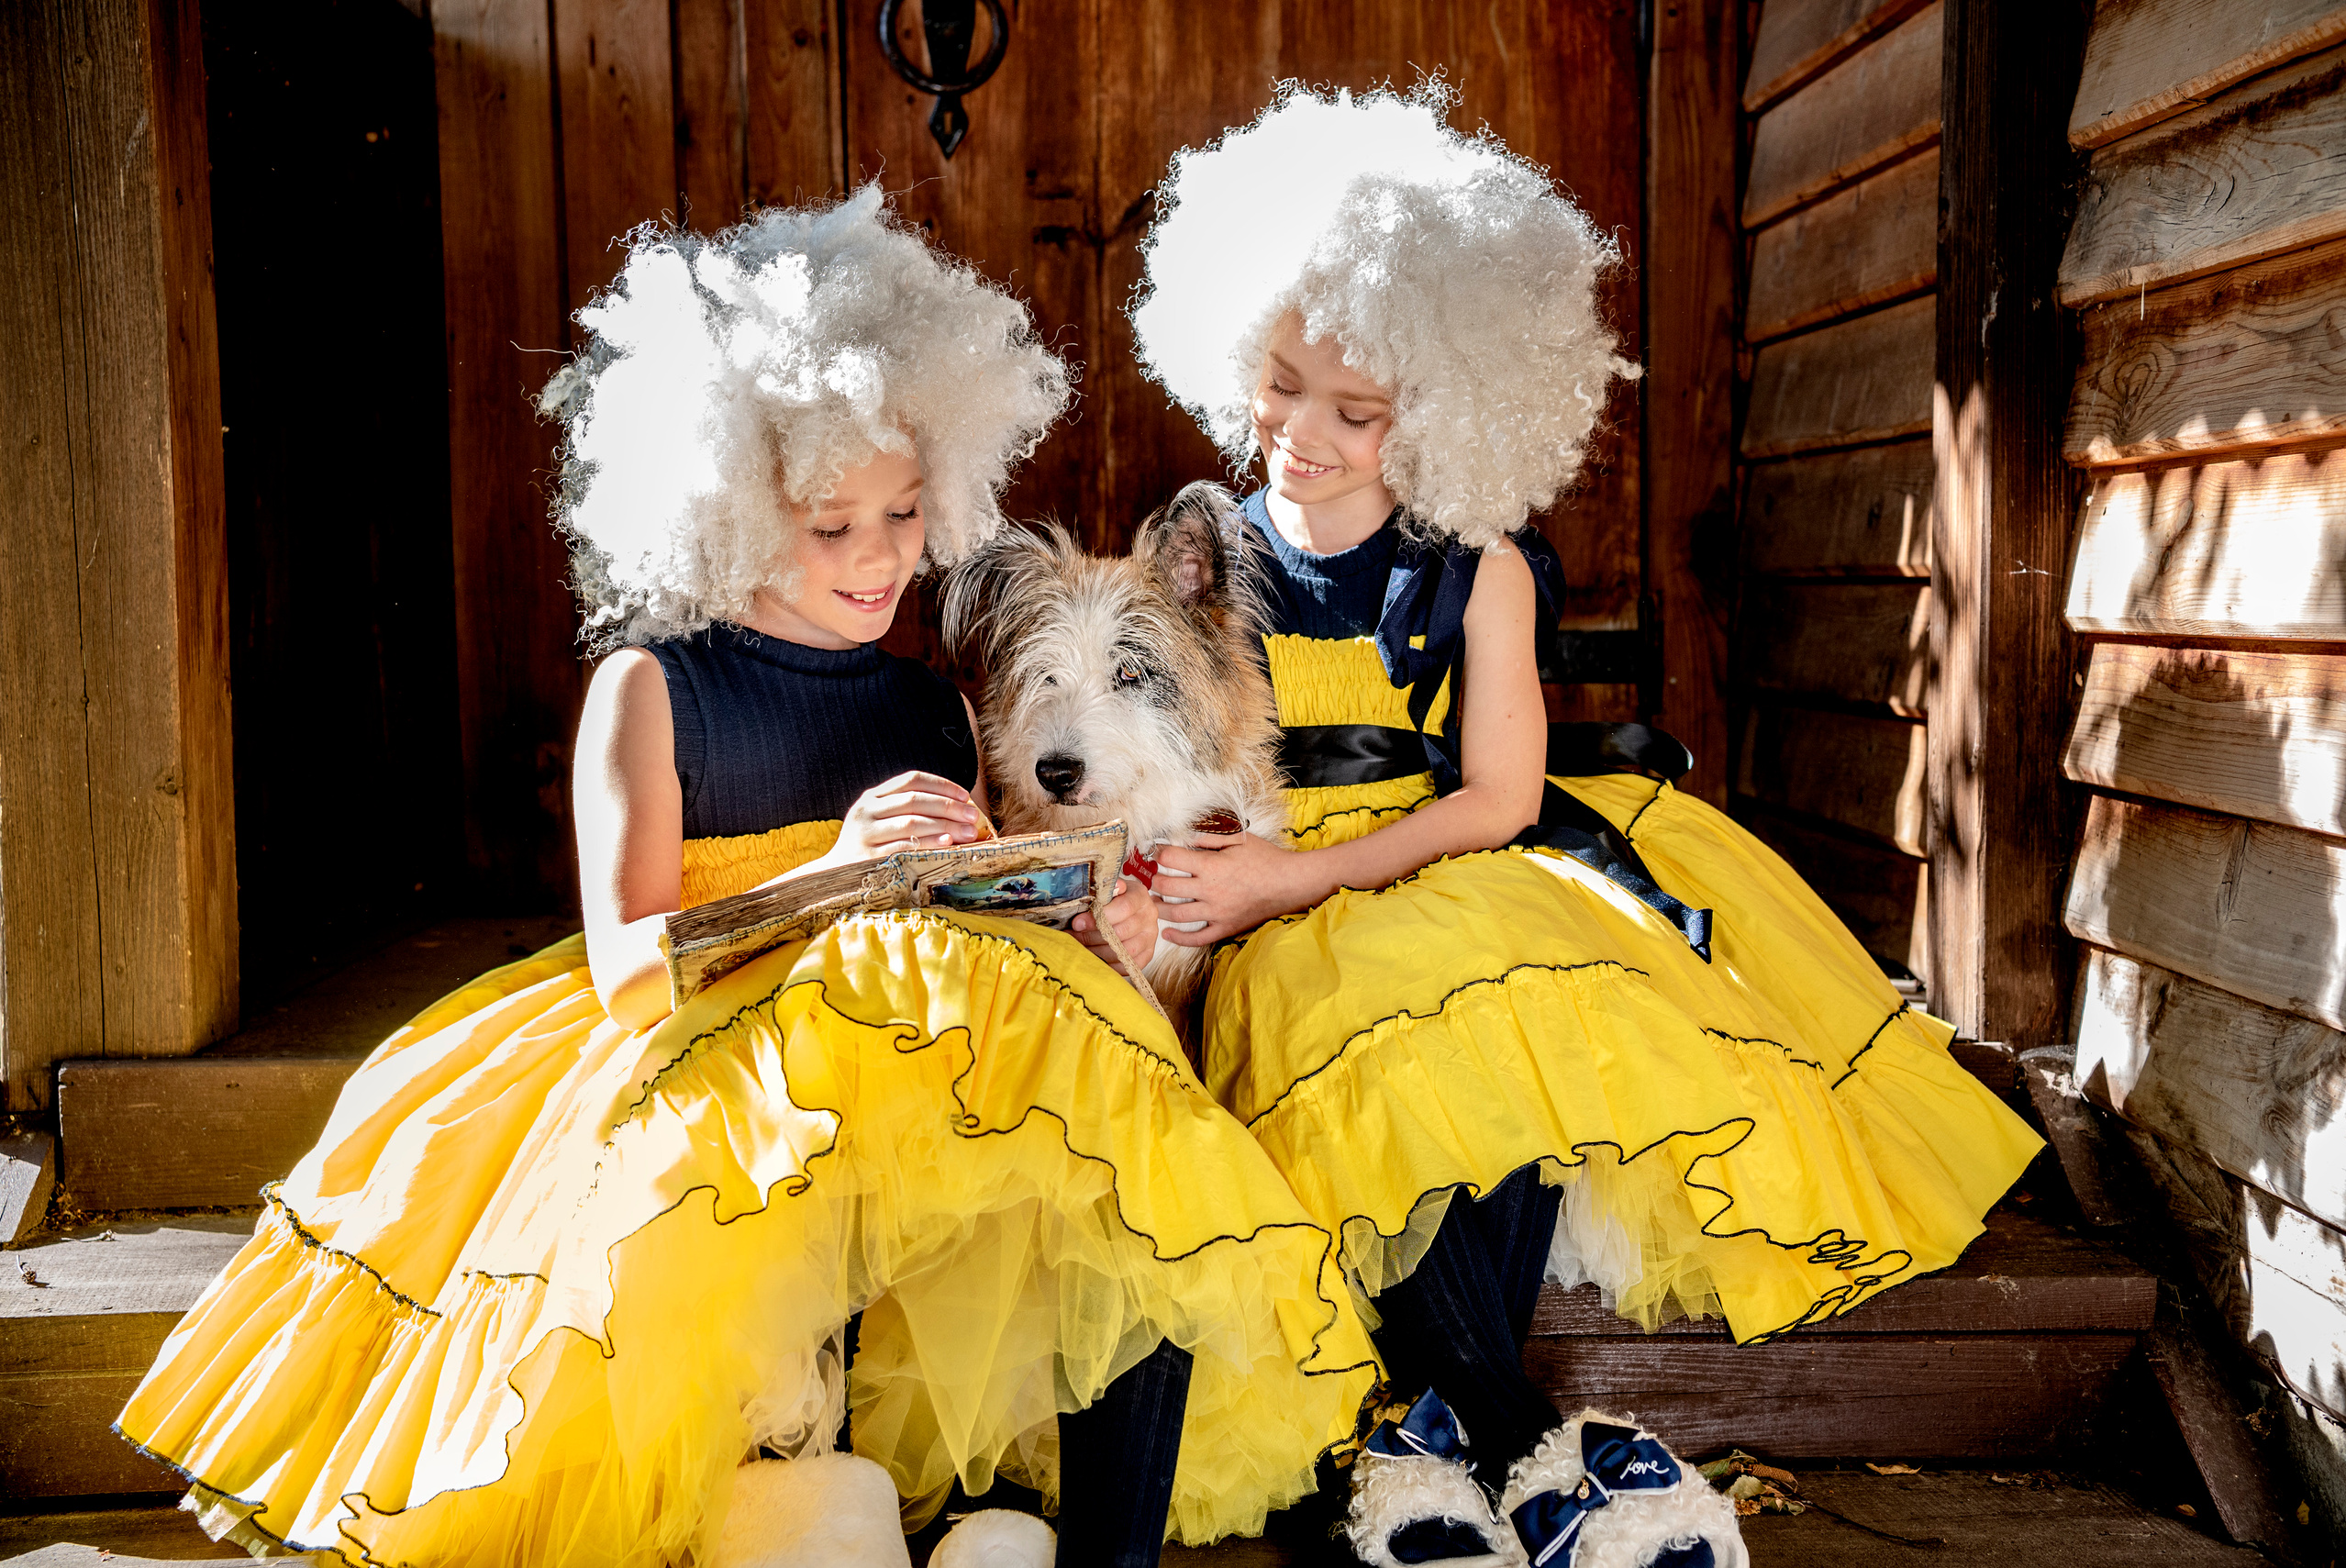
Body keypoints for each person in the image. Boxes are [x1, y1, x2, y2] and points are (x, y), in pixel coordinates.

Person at [115, 189, 1374, 1568]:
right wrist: (833, 869)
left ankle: (1073, 1536)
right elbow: (630, 972)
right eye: (832, 526)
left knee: (1119, 1159)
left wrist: (1095, 923)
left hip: (921, 1084)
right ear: (721, 507)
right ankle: (803, 1482)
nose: (881, 556)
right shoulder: (652, 691)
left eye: (907, 512)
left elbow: (983, 919)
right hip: (728, 1077)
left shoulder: (933, 707)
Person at [1129, 83, 2040, 1563]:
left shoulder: (1472, 566)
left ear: (1443, 408)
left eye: (1357, 413)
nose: (1302, 434)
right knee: (1345, 1024)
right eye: (1281, 385)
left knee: (1498, 1016)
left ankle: (1453, 1441)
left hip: (1442, 856)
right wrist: (1226, 878)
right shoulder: (1205, 556)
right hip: (1273, 893)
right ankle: (1529, 1451)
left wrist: (1303, 874)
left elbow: (1495, 799)